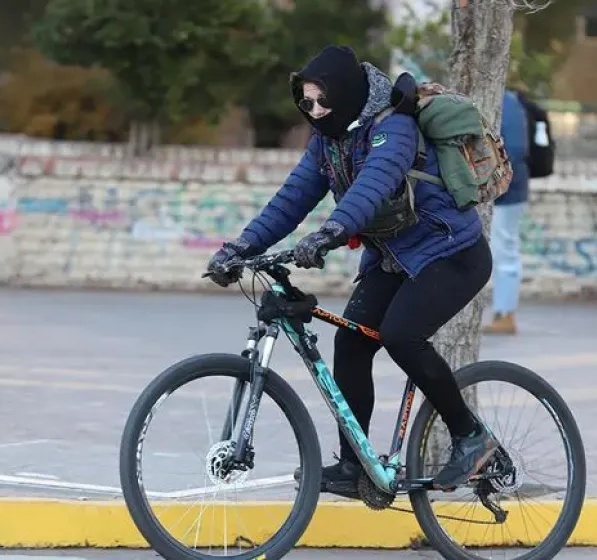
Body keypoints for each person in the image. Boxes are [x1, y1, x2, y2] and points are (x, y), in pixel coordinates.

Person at [204, 45, 497, 496]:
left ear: (346, 95)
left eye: (323, 100)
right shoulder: (327, 141)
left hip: (451, 253)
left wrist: (331, 232)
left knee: (402, 334)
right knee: (351, 341)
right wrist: (240, 247)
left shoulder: (392, 128)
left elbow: (373, 185)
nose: (315, 111)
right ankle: (355, 465)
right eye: (306, 102)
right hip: (395, 258)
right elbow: (292, 199)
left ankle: (471, 437)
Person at [483, 89, 530, 336]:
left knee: (504, 249)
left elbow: (515, 148)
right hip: (506, 188)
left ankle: (506, 313)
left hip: (505, 190)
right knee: (503, 249)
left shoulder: (505, 101)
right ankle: (504, 311)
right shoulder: (511, 101)